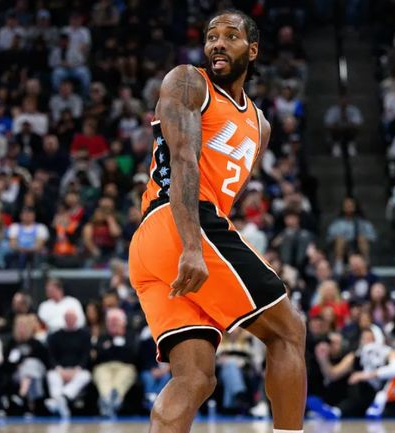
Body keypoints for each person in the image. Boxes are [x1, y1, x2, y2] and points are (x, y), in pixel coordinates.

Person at [128, 10, 306, 433]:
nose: (218, 43)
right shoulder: (189, 81)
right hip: (181, 223)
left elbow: (226, 191)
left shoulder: (260, 126)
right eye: (212, 36)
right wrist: (192, 245)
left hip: (155, 244)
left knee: (195, 377)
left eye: (230, 36)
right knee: (288, 332)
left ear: (253, 50)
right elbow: (183, 160)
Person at [92, 308, 138, 417]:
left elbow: (133, 355)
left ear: (123, 323)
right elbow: (98, 356)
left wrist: (111, 346)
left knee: (123, 377)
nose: (113, 324)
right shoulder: (102, 337)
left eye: (116, 321)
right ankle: (107, 398)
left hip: (124, 366)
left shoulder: (130, 336)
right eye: (110, 322)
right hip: (104, 367)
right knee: (102, 377)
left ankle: (115, 399)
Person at [45, 310, 92, 418]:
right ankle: (60, 400)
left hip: (77, 370)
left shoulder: (84, 335)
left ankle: (60, 399)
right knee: (51, 376)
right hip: (60, 370)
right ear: (64, 319)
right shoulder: (55, 336)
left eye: (72, 318)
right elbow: (51, 356)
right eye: (68, 318)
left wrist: (77, 369)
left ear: (76, 319)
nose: (70, 320)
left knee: (85, 376)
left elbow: (86, 355)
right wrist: (59, 369)